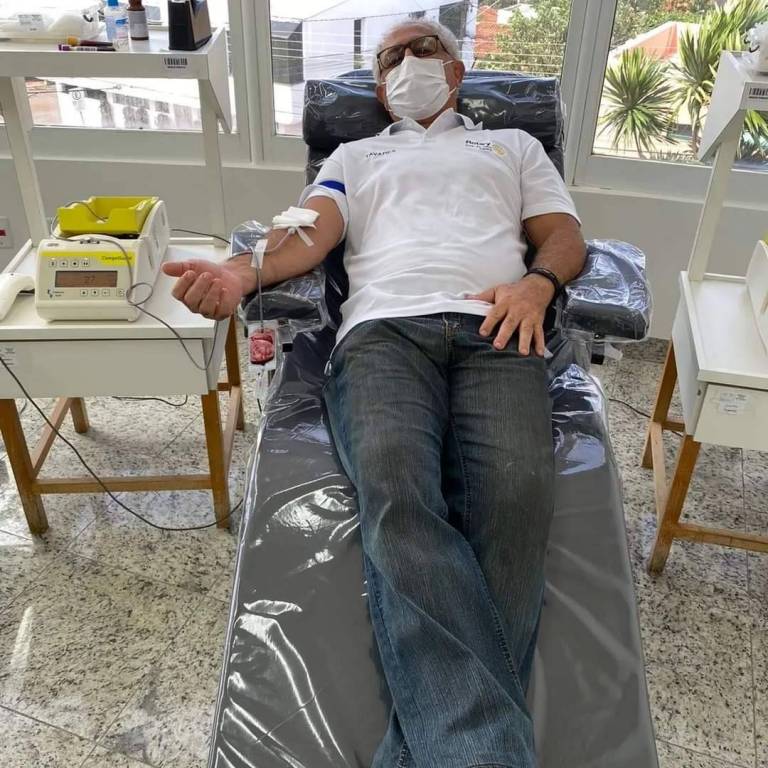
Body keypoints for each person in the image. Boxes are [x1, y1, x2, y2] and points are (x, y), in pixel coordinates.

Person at [163, 19, 586, 768]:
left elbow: (564, 237)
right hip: (382, 333)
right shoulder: (354, 156)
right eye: (391, 57)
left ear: (456, 72)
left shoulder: (513, 146)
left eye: (424, 49)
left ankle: (428, 751)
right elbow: (306, 236)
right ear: (380, 86)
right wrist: (238, 271)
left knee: (517, 498)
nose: (406, 62)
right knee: (396, 487)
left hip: (498, 324)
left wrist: (537, 283)